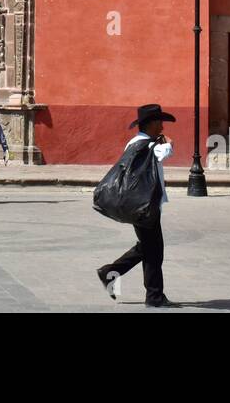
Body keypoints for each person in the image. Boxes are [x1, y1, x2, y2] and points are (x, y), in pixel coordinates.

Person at [97, 104, 177, 307]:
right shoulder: (143, 145)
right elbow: (163, 152)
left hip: (142, 204)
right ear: (150, 124)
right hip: (143, 206)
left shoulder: (138, 142)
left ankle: (112, 273)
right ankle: (153, 296)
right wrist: (169, 143)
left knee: (149, 247)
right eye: (159, 122)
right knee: (154, 250)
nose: (162, 126)